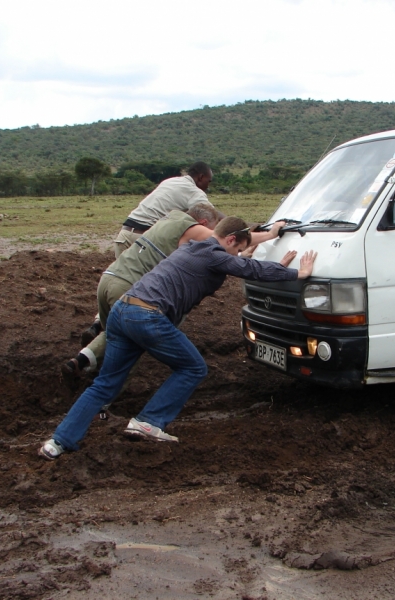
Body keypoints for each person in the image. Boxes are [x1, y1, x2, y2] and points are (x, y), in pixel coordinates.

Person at [40, 217, 316, 459]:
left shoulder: (195, 248)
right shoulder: (214, 253)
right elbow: (249, 269)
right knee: (194, 367)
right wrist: (296, 273)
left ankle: (58, 442)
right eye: (240, 248)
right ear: (230, 239)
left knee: (104, 385)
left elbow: (240, 265)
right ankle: (148, 421)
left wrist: (270, 262)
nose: (239, 254)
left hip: (122, 313)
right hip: (146, 317)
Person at [66, 207, 286, 377]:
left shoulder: (169, 218)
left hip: (108, 278)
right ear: (204, 223)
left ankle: (82, 361)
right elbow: (227, 239)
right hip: (131, 288)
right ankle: (105, 404)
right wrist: (270, 234)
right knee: (129, 348)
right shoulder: (194, 230)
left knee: (112, 333)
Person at [113, 161, 214, 258]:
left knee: (122, 275)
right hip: (144, 239)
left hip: (124, 235)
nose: (208, 186)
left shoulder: (170, 181)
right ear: (201, 177)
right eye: (208, 181)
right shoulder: (194, 191)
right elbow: (210, 215)